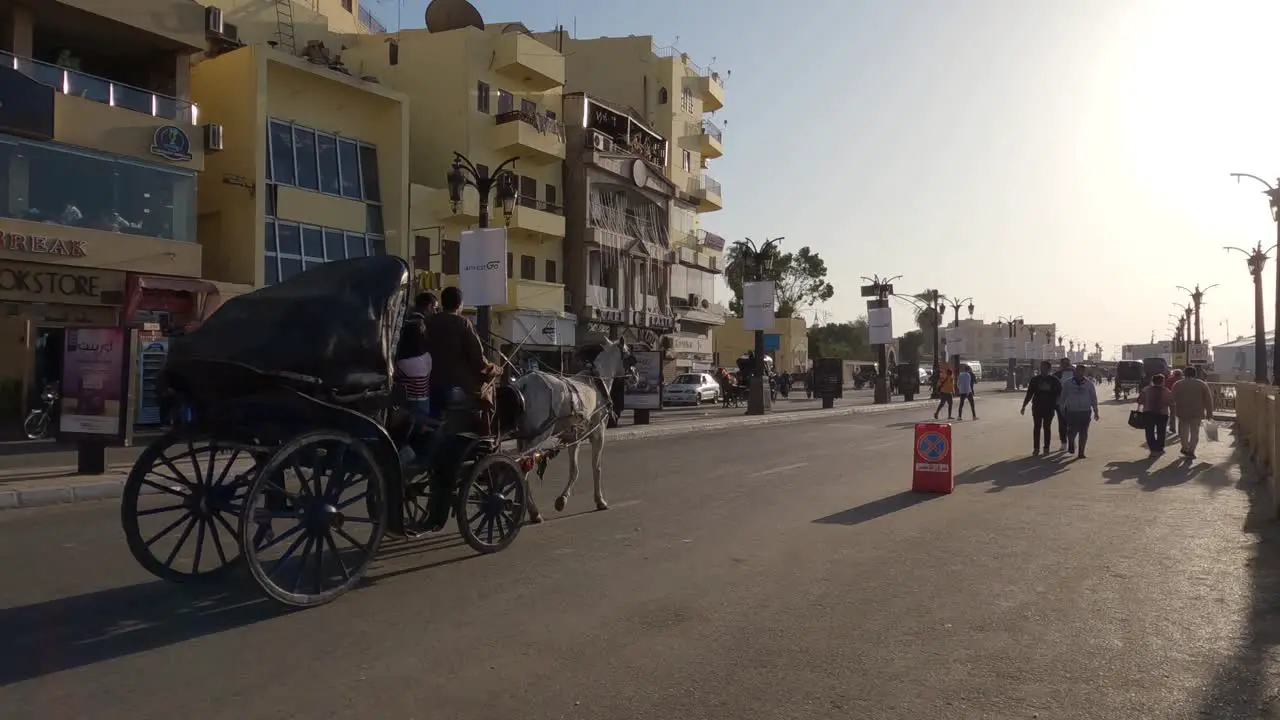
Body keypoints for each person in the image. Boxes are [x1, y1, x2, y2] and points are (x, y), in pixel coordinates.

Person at [422, 286, 501, 424]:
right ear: (460, 304)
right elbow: (477, 358)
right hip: (454, 384)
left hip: (428, 382)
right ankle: (485, 433)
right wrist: (494, 369)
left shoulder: (429, 321)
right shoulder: (463, 323)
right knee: (489, 391)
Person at [395, 292, 436, 424]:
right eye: (434, 308)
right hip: (423, 400)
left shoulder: (403, 319)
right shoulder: (427, 359)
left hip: (404, 401)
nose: (435, 312)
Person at [1171, 366, 1215, 459]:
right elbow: (1208, 400)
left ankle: (1185, 447)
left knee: (1183, 431)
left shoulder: (1178, 384)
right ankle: (1191, 450)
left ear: (1184, 373)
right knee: (1195, 432)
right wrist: (1209, 413)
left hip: (1182, 411)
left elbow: (1172, 398)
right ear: (1195, 374)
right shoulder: (1202, 384)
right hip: (1197, 412)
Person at [1058, 363, 1099, 459]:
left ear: (1084, 372)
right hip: (1072, 411)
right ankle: (1071, 442)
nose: (1080, 373)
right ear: (1075, 371)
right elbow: (1063, 397)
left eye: (1082, 371)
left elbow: (1093, 398)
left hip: (1085, 411)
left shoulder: (1089, 384)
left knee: (1083, 432)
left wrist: (1096, 411)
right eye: (1078, 371)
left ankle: (1081, 452)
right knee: (1072, 432)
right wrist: (1061, 409)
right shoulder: (1068, 383)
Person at [1020, 360, 1062, 454]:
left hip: (1049, 407)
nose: (1042, 369)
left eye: (1044, 367)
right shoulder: (1035, 380)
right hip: (1037, 407)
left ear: (1049, 369)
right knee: (1037, 427)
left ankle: (1046, 447)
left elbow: (1060, 393)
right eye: (1041, 367)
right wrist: (1024, 406)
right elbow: (1029, 393)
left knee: (1047, 427)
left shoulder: (1054, 380)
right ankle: (1036, 448)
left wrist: (1051, 390)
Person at [1136, 373, 1172, 457]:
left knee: (1149, 431)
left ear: (1153, 381)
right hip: (1162, 414)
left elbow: (1140, 401)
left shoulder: (1146, 390)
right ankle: (1159, 448)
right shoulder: (1166, 390)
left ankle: (1153, 449)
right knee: (1161, 431)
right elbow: (1171, 402)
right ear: (1163, 381)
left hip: (1148, 413)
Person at [1052, 358, 1075, 451]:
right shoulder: (1056, 375)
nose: (1065, 365)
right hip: (1060, 402)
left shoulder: (1075, 374)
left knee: (1072, 424)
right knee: (1062, 423)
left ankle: (1071, 442)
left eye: (1067, 363)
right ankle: (1063, 442)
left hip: (1073, 403)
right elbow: (1053, 389)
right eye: (1063, 364)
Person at [1165, 368, 1183, 435]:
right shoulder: (1183, 380)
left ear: (1174, 373)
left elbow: (1165, 388)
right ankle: (1180, 430)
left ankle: (1173, 429)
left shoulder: (1169, 380)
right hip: (1181, 400)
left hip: (1171, 399)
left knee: (1172, 414)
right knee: (1181, 415)